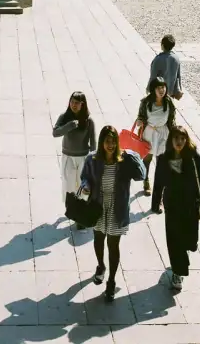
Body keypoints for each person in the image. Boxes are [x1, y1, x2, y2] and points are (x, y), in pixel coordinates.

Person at [80, 125, 145, 301]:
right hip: (98, 206)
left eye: (113, 141)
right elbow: (84, 177)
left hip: (117, 207)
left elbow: (141, 176)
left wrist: (135, 155)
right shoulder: (92, 160)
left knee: (113, 245)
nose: (110, 145)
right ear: (101, 142)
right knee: (99, 238)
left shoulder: (125, 160)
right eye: (107, 141)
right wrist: (85, 186)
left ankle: (111, 281)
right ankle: (101, 266)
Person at [151, 125, 200, 290]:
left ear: (186, 140)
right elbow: (158, 182)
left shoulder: (193, 157)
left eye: (182, 138)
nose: (179, 142)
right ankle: (177, 273)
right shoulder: (164, 159)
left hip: (190, 205)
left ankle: (182, 256)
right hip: (172, 205)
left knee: (189, 241)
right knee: (174, 240)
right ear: (171, 140)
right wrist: (155, 202)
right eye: (176, 138)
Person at [53, 92, 96, 214]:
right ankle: (70, 209)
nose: (74, 105)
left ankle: (81, 213)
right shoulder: (64, 117)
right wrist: (69, 126)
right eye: (72, 102)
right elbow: (55, 133)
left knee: (82, 186)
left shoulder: (89, 121)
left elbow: (93, 143)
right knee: (69, 184)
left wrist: (93, 161)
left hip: (83, 157)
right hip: (68, 157)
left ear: (83, 104)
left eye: (77, 103)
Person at [135, 76, 176, 196]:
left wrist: (174, 133)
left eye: (163, 87)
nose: (162, 90)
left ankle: (160, 184)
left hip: (163, 133)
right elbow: (140, 116)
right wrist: (139, 121)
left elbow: (172, 120)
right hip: (149, 132)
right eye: (159, 87)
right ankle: (146, 180)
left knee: (161, 161)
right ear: (153, 89)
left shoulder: (168, 102)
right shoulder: (146, 102)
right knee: (147, 159)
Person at [149, 34, 184, 100]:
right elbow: (178, 76)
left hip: (158, 92)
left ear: (162, 45)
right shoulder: (176, 58)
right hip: (170, 92)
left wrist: (149, 89)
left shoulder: (158, 59)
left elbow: (153, 77)